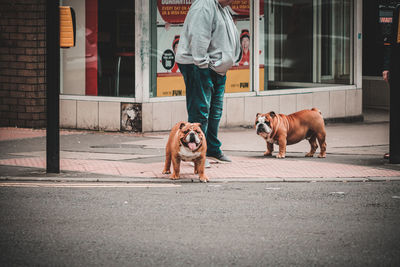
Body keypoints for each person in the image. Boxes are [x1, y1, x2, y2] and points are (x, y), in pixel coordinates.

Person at [176, 0, 241, 163]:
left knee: (215, 111)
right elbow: (198, 39)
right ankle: (196, 152)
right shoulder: (204, 5)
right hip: (199, 66)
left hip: (215, 69)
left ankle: (211, 148)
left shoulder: (222, 8)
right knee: (201, 111)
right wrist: (203, 68)